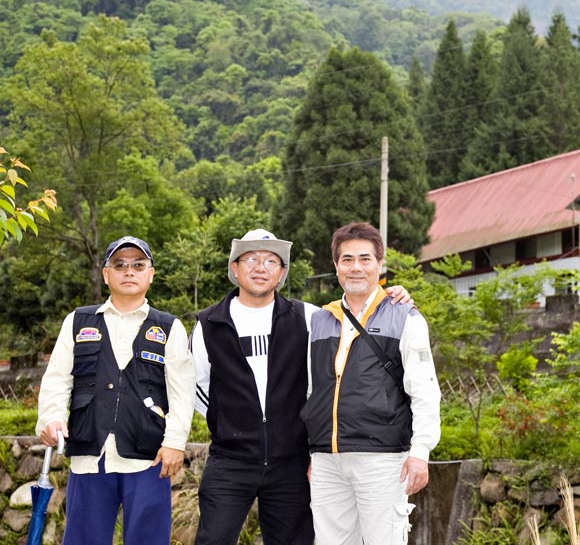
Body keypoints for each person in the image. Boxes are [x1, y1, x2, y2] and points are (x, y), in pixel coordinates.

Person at [191, 229, 412, 545]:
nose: (261, 267)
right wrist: (231, 421)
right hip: (230, 460)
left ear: (282, 273)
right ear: (234, 268)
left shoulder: (310, 317)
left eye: (271, 261)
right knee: (212, 539)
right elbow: (198, 385)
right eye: (250, 259)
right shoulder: (208, 324)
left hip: (292, 463)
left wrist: (393, 297)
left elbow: (328, 373)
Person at [36, 235, 196, 545]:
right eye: (119, 265)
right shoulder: (78, 321)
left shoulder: (169, 327)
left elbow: (182, 392)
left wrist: (175, 442)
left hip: (149, 458)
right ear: (106, 274)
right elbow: (57, 378)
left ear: (151, 274)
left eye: (138, 265)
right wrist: (51, 418)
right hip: (89, 454)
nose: (129, 271)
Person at [301, 222, 441, 545]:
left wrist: (420, 451)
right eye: (347, 259)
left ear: (380, 264)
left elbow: (424, 390)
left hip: (382, 458)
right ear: (336, 266)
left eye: (365, 259)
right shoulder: (319, 320)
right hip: (327, 460)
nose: (356, 267)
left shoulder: (405, 316)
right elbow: (312, 390)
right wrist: (311, 451)